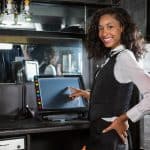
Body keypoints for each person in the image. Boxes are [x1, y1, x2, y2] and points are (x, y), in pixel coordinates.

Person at [69, 7, 150, 150]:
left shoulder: (124, 57)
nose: (104, 33)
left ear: (122, 28)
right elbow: (115, 95)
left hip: (109, 134)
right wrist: (88, 94)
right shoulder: (113, 57)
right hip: (101, 133)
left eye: (110, 27)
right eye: (101, 28)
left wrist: (124, 118)